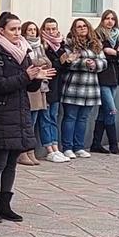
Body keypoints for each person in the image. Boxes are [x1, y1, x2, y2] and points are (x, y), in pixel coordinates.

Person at [0, 13, 52, 223]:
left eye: (19, 29)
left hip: (20, 111)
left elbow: (28, 85)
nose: (17, 33)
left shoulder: (23, 50)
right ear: (1, 31)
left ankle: (5, 204)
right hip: (3, 112)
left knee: (12, 162)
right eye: (13, 29)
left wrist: (36, 79)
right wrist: (25, 76)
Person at [59, 18, 106, 160]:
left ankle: (79, 146)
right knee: (70, 117)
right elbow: (67, 62)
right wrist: (84, 63)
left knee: (83, 118)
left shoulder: (96, 44)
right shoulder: (68, 44)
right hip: (74, 86)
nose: (82, 28)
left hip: (91, 87)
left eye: (84, 26)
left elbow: (104, 62)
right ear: (74, 29)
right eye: (79, 26)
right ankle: (67, 147)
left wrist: (94, 64)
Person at [89, 10, 119, 155]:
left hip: (114, 77)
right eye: (107, 18)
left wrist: (114, 53)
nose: (110, 21)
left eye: (113, 19)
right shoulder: (97, 35)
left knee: (103, 112)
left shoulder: (117, 36)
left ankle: (96, 143)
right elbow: (100, 53)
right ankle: (113, 144)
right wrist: (115, 53)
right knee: (111, 110)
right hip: (102, 77)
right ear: (102, 20)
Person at [38, 18, 69, 163]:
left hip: (57, 87)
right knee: (46, 119)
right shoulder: (42, 46)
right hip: (45, 87)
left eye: (53, 29)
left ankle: (56, 147)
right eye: (48, 29)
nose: (51, 32)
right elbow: (50, 67)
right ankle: (48, 149)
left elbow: (63, 68)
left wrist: (67, 62)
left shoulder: (60, 45)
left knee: (54, 117)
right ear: (43, 30)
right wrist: (61, 62)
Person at [19, 21, 48, 167]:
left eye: (34, 30)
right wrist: (39, 62)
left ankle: (31, 151)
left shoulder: (40, 45)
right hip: (28, 85)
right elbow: (29, 63)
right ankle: (22, 152)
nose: (32, 32)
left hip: (40, 86)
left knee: (34, 121)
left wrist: (39, 62)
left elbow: (47, 62)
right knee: (26, 122)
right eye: (29, 30)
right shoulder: (23, 45)